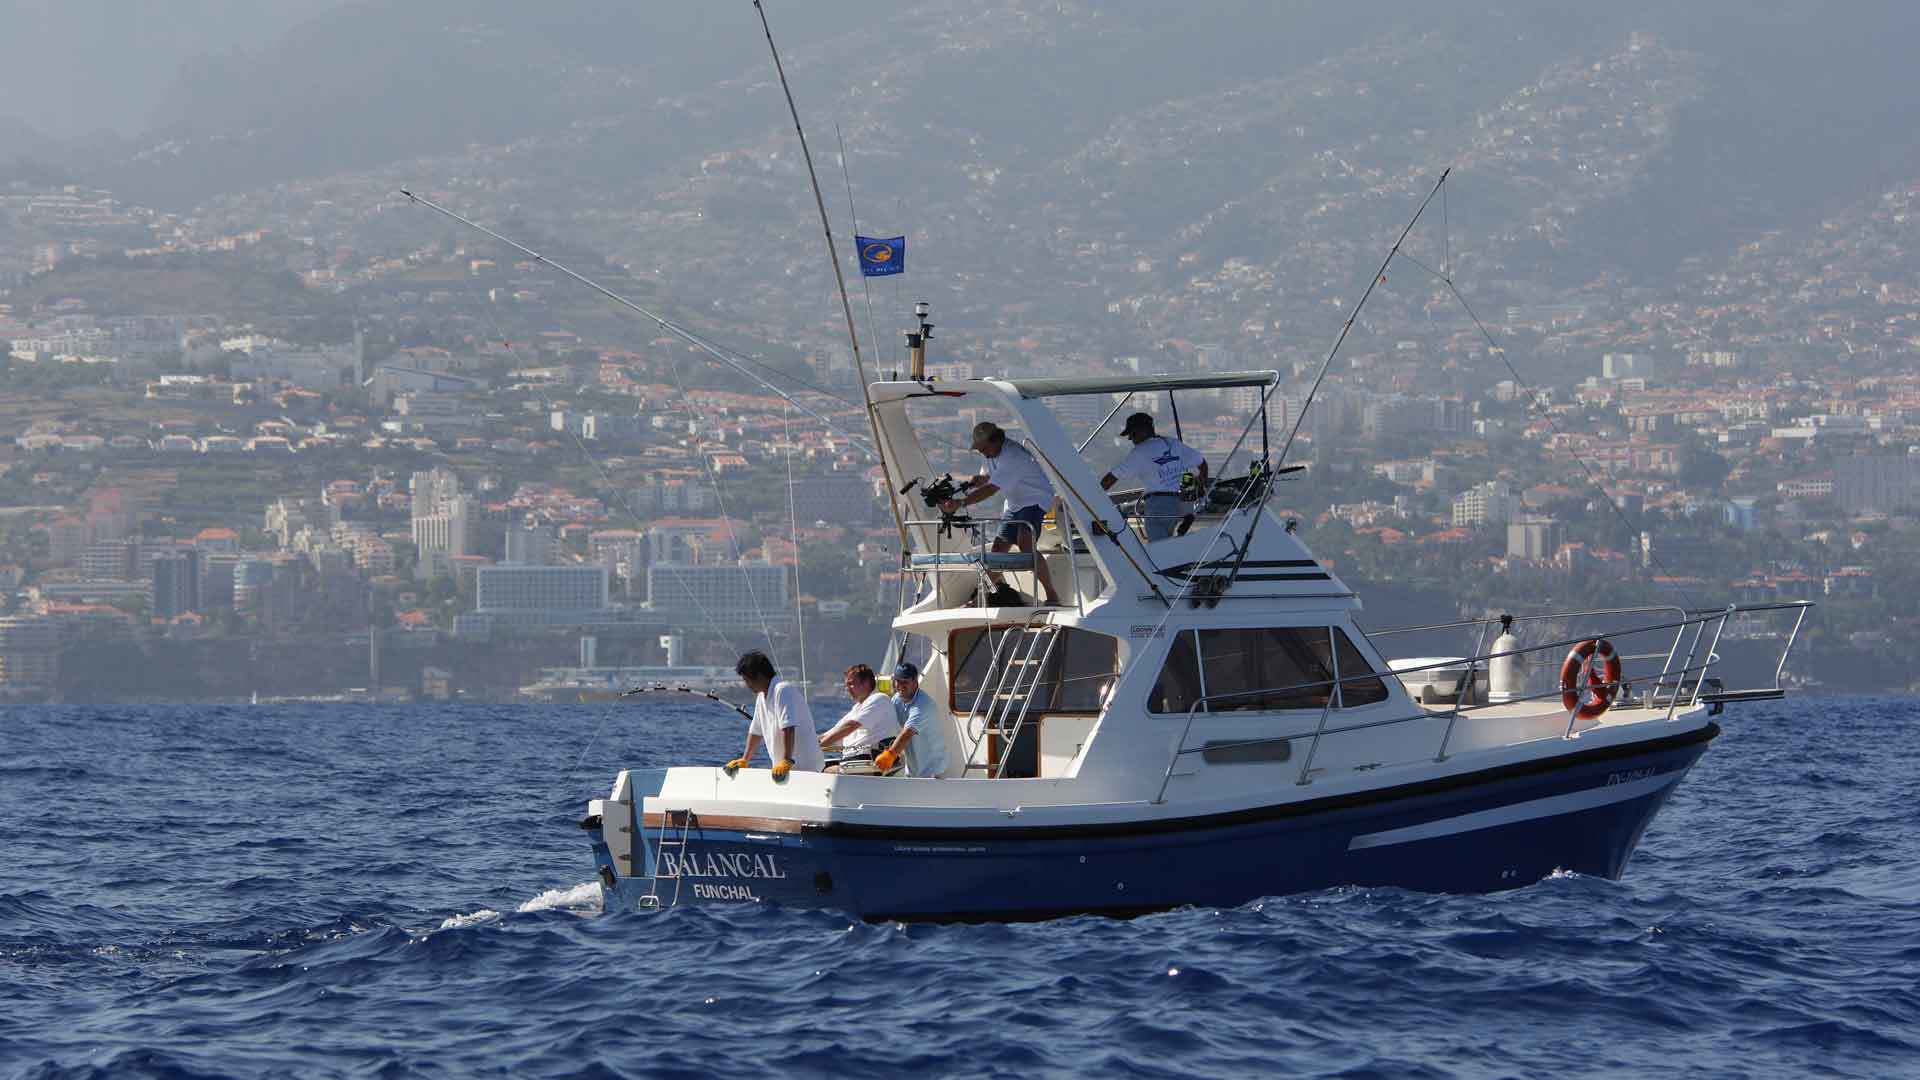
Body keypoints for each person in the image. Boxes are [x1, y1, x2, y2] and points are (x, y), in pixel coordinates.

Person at [939, 421, 1062, 606]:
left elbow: (991, 489)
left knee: (1026, 546)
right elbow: (987, 477)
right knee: (998, 551)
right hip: (1014, 503)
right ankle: (980, 597)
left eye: (983, 448)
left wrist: (960, 503)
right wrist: (973, 481)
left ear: (996, 441)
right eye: (979, 449)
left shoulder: (1012, 456)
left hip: (1035, 499)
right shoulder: (991, 453)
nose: (981, 452)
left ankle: (1052, 596)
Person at [1099, 412, 1208, 541]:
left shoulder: (1140, 452)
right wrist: (1201, 486)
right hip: (1181, 505)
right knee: (1168, 544)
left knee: (1159, 550)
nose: (1130, 439)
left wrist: (1092, 499)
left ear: (1143, 431)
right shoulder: (1173, 443)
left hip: (1158, 506)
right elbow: (1202, 463)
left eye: (1132, 434)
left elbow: (1109, 480)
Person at [723, 650, 824, 780]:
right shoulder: (761, 696)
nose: (746, 684)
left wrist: (787, 760)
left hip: (807, 768)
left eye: (746, 679)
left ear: (759, 676)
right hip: (783, 769)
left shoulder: (782, 690)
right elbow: (756, 731)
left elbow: (788, 727)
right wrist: (745, 759)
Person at [817, 663, 901, 773]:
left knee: (823, 771)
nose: (847, 689)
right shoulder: (856, 709)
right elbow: (830, 734)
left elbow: (850, 726)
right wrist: (807, 745)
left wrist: (817, 748)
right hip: (853, 762)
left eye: (851, 684)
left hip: (870, 762)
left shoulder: (879, 699)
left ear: (866, 683)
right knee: (816, 767)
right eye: (846, 685)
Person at [874, 662, 948, 778]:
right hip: (913, 771)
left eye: (905, 682)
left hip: (933, 772)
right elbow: (887, 722)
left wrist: (890, 755)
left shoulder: (924, 705)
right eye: (897, 681)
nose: (900, 685)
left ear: (915, 682)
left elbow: (907, 733)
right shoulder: (897, 699)